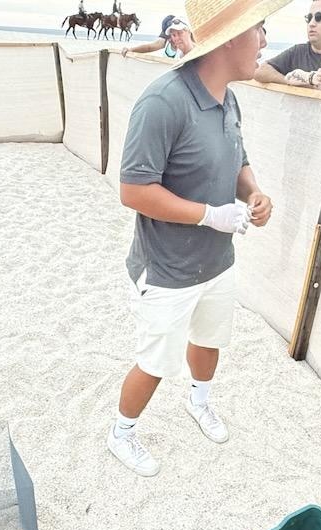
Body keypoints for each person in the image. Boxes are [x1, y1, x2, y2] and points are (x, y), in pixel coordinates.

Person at [107, 0, 280, 477]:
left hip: (216, 262)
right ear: (227, 39)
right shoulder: (164, 101)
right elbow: (133, 190)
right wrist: (209, 215)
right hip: (167, 267)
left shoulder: (228, 96)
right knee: (155, 363)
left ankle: (199, 401)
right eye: (259, 30)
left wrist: (254, 193)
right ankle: (121, 432)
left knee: (209, 341)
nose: (265, 42)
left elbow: (238, 157)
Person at [254, 0, 321, 91]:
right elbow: (260, 71)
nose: (311, 24)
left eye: (318, 17)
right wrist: (288, 81)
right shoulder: (297, 52)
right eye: (309, 18)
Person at [123, 15, 195, 59]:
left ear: (188, 32)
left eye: (179, 33)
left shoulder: (194, 47)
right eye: (173, 35)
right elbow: (149, 47)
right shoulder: (166, 42)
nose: (175, 38)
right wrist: (131, 50)